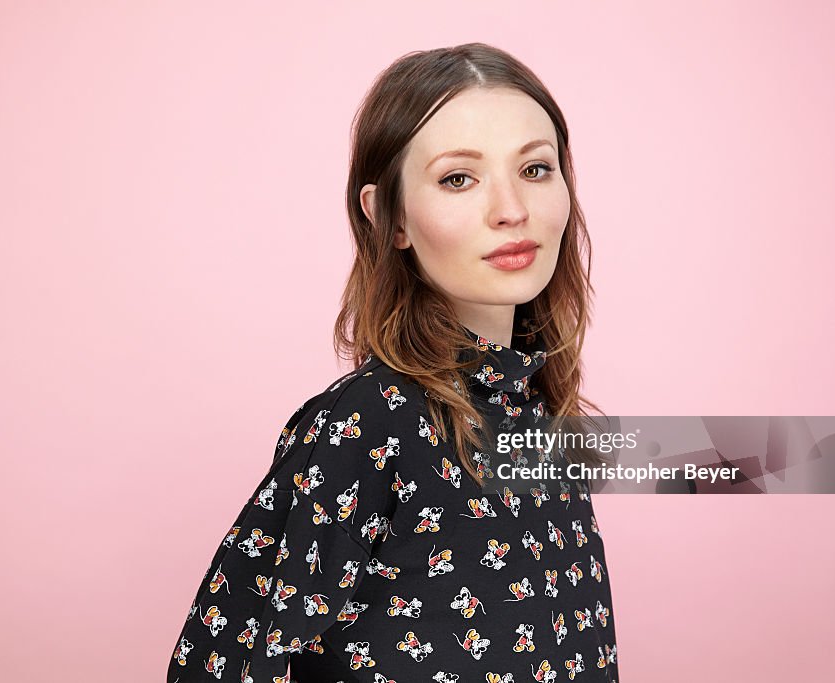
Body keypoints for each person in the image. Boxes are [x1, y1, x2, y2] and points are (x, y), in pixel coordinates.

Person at [167, 42, 619, 683]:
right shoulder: (372, 420)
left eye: (537, 170)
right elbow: (224, 663)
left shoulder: (537, 416)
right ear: (389, 216)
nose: (511, 210)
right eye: (458, 179)